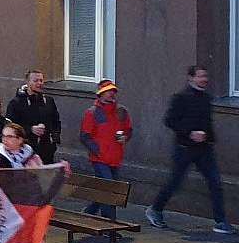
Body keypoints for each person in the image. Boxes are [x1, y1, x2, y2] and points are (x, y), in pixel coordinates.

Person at [146, 66, 235, 233]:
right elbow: (169, 120)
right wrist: (190, 133)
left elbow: (206, 123)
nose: (204, 79)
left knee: (215, 182)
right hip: (184, 148)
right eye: (200, 76)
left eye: (205, 76)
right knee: (175, 182)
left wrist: (207, 137)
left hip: (204, 149)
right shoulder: (181, 98)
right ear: (191, 78)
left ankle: (221, 221)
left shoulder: (206, 98)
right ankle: (155, 210)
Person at [80, 79, 133, 219]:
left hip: (115, 157)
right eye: (107, 91)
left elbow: (128, 130)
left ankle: (89, 213)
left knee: (104, 190)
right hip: (100, 159)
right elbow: (85, 136)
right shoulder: (92, 113)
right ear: (100, 94)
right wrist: (98, 151)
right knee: (109, 190)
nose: (111, 94)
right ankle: (109, 225)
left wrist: (125, 138)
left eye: (112, 91)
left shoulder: (122, 111)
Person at [6, 69, 61, 162]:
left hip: (46, 150)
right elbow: (10, 126)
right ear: (27, 82)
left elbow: (56, 121)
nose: (39, 83)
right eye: (35, 81)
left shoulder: (48, 101)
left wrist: (54, 138)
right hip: (25, 150)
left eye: (41, 80)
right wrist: (30, 129)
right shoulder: (16, 103)